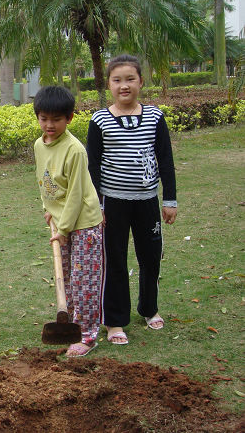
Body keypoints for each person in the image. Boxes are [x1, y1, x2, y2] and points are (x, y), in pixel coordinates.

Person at [86, 54, 177, 345]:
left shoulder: (154, 116)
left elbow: (165, 160)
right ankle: (115, 321)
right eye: (117, 80)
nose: (124, 86)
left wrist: (170, 200)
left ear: (140, 81)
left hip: (147, 201)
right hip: (113, 203)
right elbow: (93, 166)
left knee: (150, 258)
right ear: (108, 84)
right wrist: (97, 205)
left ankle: (149, 309)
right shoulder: (99, 119)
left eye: (130, 79)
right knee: (114, 260)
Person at [33, 86, 104, 357]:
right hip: (60, 220)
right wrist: (48, 209)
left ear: (70, 118)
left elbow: (75, 194)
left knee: (83, 280)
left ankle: (87, 336)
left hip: (84, 223)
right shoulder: (39, 145)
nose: (49, 125)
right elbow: (44, 180)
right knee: (67, 278)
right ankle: (72, 325)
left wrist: (64, 229)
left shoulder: (75, 150)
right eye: (44, 118)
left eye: (57, 119)